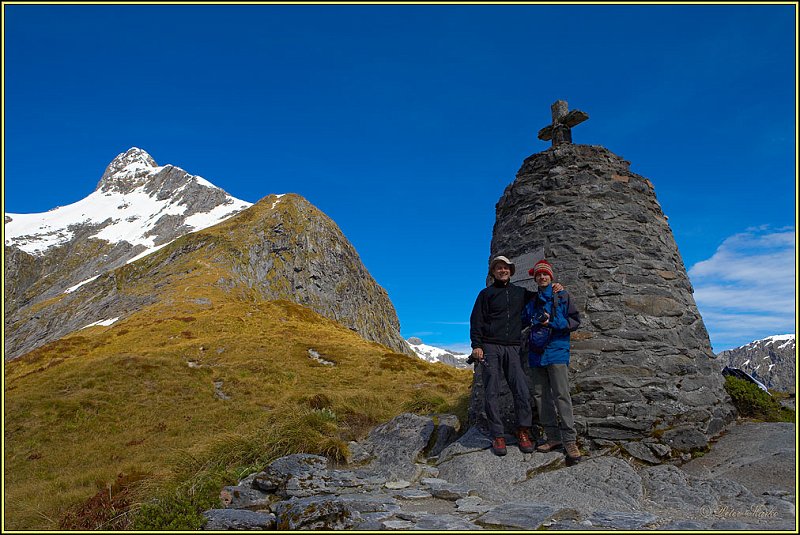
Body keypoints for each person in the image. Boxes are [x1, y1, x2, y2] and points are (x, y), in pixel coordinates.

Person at [469, 255, 562, 456]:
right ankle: (498, 435)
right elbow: (476, 320)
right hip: (491, 346)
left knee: (521, 389)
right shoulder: (486, 294)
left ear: (511, 271)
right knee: (491, 390)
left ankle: (523, 431)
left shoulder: (520, 293)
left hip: (513, 347)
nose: (502, 271)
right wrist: (477, 345)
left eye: (505, 268)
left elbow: (540, 298)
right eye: (498, 268)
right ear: (493, 272)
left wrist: (554, 288)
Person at [522, 259, 582, 464]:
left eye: (545, 274)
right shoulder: (531, 301)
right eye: (538, 275)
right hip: (536, 354)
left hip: (556, 351)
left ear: (551, 276)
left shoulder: (562, 296)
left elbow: (574, 321)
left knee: (561, 396)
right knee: (540, 396)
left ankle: (569, 440)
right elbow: (524, 320)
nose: (542, 277)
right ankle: (553, 437)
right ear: (535, 278)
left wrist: (551, 322)